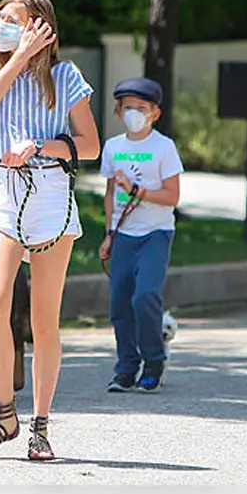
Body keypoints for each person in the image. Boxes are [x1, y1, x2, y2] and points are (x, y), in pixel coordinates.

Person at [0, 0, 100, 459]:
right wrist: (18, 55)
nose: (1, 25)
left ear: (40, 27)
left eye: (14, 20)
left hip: (50, 195)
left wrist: (45, 145)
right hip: (4, 190)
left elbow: (91, 146)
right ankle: (5, 415)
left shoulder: (65, 76)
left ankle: (41, 424)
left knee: (43, 318)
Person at [98, 77, 184, 394]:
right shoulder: (114, 147)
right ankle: (126, 368)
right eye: (128, 107)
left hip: (155, 233)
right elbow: (109, 194)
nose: (134, 113)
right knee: (120, 304)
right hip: (123, 235)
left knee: (144, 295)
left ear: (154, 114)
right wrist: (109, 233)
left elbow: (172, 196)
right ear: (119, 112)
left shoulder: (164, 147)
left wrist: (137, 190)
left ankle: (154, 360)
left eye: (141, 108)